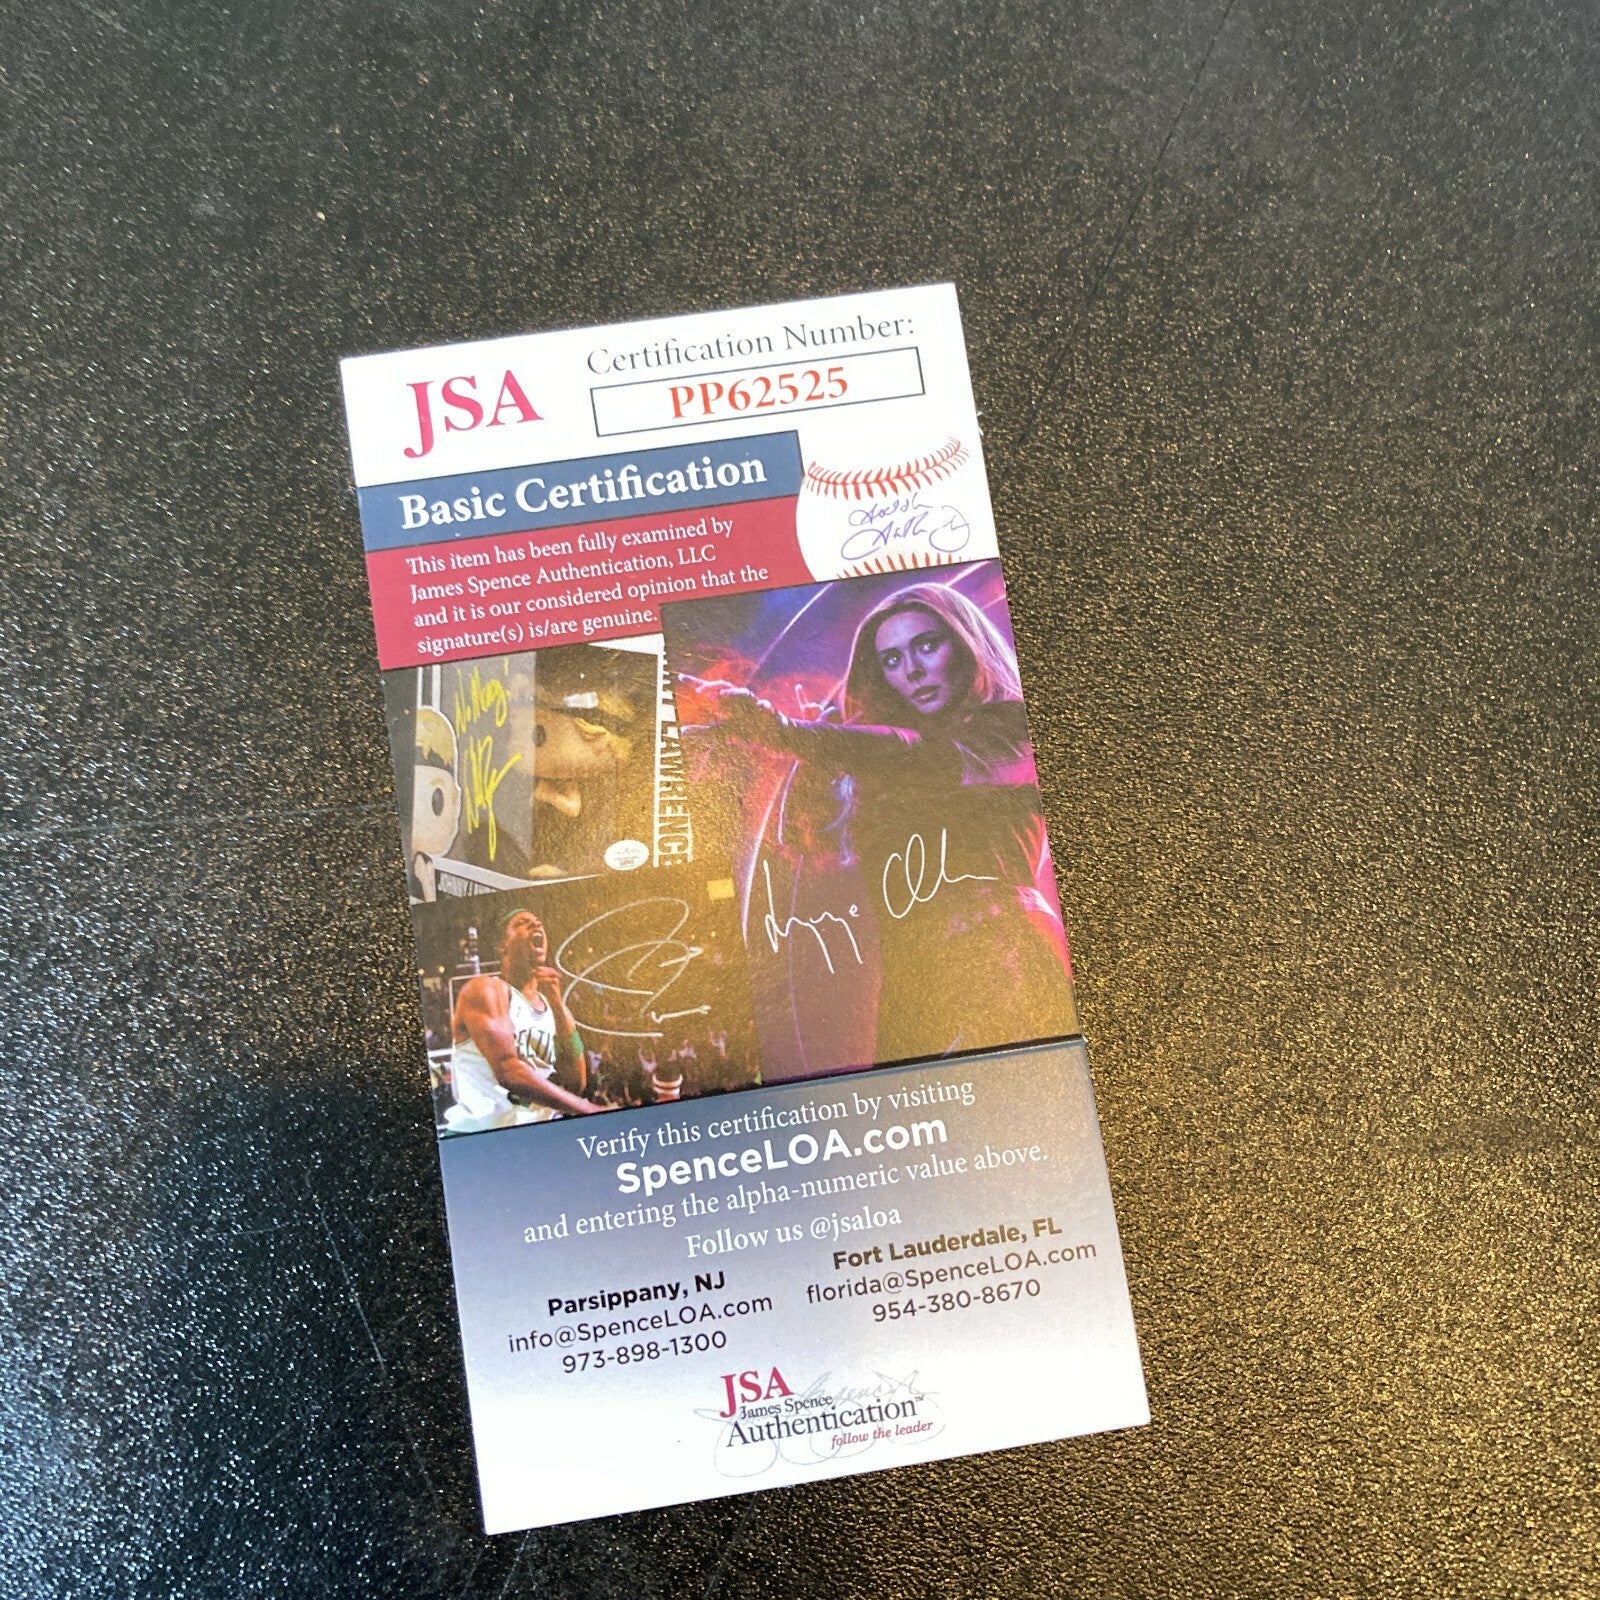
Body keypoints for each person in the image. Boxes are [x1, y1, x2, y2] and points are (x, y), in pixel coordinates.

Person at [691, 582, 1077, 1064]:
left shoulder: (1016, 727)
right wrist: (743, 749)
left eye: (927, 645)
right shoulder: (879, 761)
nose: (911, 670)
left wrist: (787, 731)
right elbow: (813, 846)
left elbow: (925, 758)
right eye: (891, 659)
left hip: (1003, 956)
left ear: (966, 645)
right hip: (913, 984)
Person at [443, 910, 596, 1133]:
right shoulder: (485, 988)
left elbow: (576, 1084)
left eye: (539, 922)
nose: (536, 925)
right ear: (502, 946)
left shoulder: (555, 1009)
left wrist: (557, 1004)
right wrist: (589, 1109)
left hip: (529, 1135)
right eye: (523, 923)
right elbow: (509, 1071)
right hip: (478, 1133)